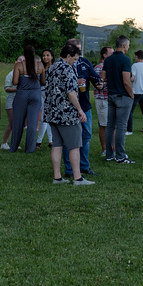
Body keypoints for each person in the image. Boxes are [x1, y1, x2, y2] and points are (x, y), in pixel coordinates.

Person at [44, 43, 93, 185]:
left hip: (53, 112)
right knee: (74, 146)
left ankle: (57, 177)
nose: (75, 62)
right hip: (66, 113)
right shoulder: (67, 68)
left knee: (57, 145)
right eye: (75, 59)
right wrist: (79, 109)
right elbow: (71, 93)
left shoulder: (52, 67)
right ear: (68, 56)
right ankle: (77, 178)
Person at [65, 38, 100, 178]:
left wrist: (99, 84)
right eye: (75, 48)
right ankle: (69, 169)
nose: (78, 52)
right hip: (68, 107)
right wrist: (76, 81)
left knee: (86, 136)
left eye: (79, 48)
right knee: (70, 139)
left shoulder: (84, 62)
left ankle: (84, 166)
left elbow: (95, 77)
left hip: (84, 105)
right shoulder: (63, 64)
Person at [101, 36, 134, 164]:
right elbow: (126, 81)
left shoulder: (108, 60)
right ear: (124, 46)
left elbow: (103, 77)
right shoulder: (125, 60)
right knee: (121, 127)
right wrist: (131, 94)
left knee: (110, 126)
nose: (129, 47)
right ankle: (120, 156)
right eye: (128, 45)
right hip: (122, 96)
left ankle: (109, 154)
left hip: (111, 95)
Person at [10, 46, 46, 153]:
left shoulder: (19, 65)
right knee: (33, 122)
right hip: (36, 94)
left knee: (18, 122)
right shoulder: (40, 65)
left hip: (22, 94)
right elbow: (43, 82)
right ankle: (30, 149)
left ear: (24, 54)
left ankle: (14, 147)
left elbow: (15, 82)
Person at [0, 57, 20, 150]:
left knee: (18, 124)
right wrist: (19, 89)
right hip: (11, 101)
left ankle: (14, 143)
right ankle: (4, 143)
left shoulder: (23, 75)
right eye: (19, 60)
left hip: (20, 101)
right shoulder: (11, 74)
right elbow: (7, 88)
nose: (21, 62)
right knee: (12, 123)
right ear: (15, 61)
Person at [94, 48, 109, 155]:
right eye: (111, 53)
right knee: (104, 125)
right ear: (104, 55)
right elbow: (98, 85)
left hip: (108, 99)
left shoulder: (109, 66)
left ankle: (110, 149)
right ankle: (104, 149)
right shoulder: (99, 67)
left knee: (109, 125)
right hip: (103, 99)